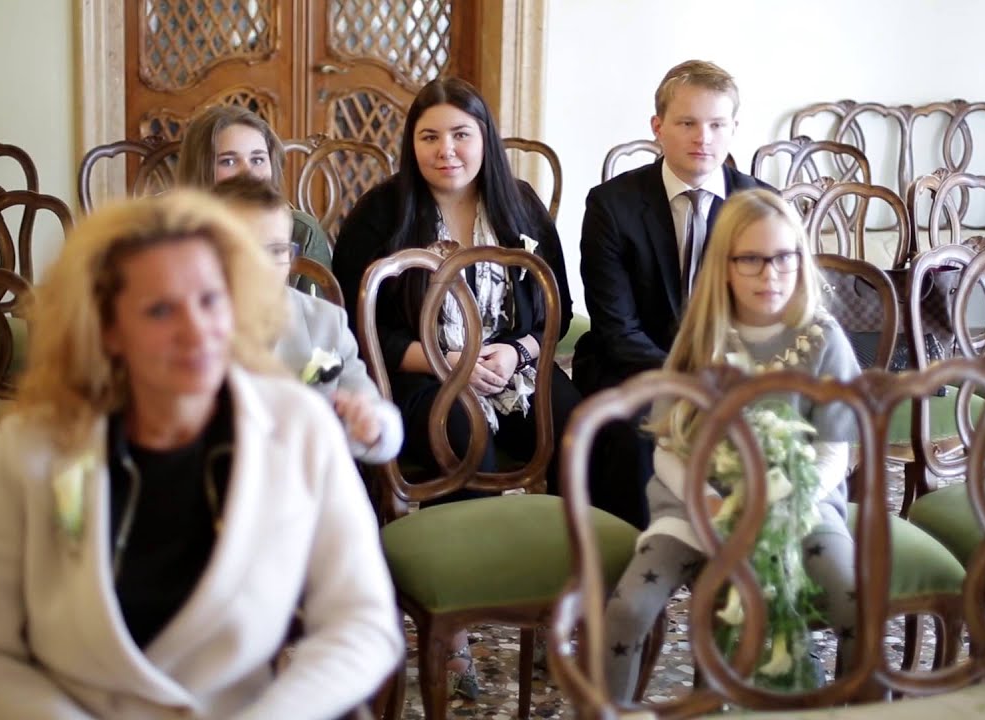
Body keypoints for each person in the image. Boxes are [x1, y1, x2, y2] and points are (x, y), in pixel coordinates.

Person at [0, 191, 402, 719]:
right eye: (160, 310)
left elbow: (364, 624)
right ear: (107, 329)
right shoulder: (31, 448)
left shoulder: (297, 427)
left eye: (210, 300)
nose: (197, 331)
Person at [332, 76, 579, 701]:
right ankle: (460, 618)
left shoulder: (519, 205)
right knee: (460, 426)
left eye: (461, 135)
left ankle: (565, 600)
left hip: (512, 368)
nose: (447, 150)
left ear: (484, 139)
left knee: (583, 422)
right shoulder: (382, 213)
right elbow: (358, 328)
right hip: (421, 374)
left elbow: (557, 305)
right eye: (430, 136)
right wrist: (449, 362)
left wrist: (518, 350)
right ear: (411, 144)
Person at [600, 189, 860, 701]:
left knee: (857, 603)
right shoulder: (702, 339)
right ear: (724, 265)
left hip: (799, 506)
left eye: (784, 258)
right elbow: (668, 445)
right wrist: (712, 503)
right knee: (628, 608)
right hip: (697, 506)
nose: (770, 275)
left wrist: (782, 504)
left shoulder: (824, 339)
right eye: (752, 261)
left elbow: (836, 452)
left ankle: (861, 708)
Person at [573, 59, 776, 529]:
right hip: (634, 367)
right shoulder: (611, 205)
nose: (702, 137)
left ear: (733, 129)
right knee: (639, 430)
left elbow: (770, 318)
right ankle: (635, 561)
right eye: (687, 123)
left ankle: (742, 565)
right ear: (658, 127)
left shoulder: (762, 206)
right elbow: (618, 329)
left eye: (716, 125)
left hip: (730, 370)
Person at [211, 174, 403, 464]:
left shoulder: (325, 322)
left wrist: (372, 426)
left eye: (277, 251)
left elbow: (372, 406)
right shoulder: (190, 328)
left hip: (309, 479)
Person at [175, 105, 333, 274]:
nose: (248, 173)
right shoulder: (169, 236)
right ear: (198, 169)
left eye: (257, 160)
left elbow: (315, 300)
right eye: (228, 161)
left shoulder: (302, 232)